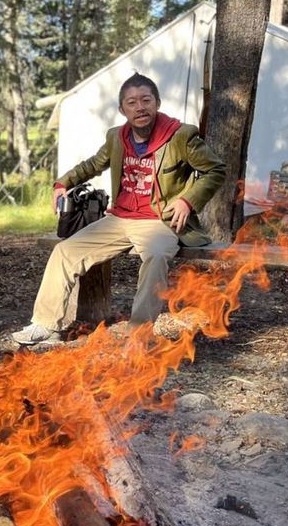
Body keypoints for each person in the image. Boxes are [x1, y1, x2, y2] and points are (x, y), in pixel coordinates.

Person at [13, 73, 226, 346]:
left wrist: (187, 200)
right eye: (132, 102)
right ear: (122, 109)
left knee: (157, 256)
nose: (140, 107)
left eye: (146, 100)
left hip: (158, 219)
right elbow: (93, 164)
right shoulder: (117, 137)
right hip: (119, 218)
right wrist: (62, 182)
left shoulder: (179, 136)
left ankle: (139, 335)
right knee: (64, 251)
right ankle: (45, 325)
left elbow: (215, 169)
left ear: (157, 103)